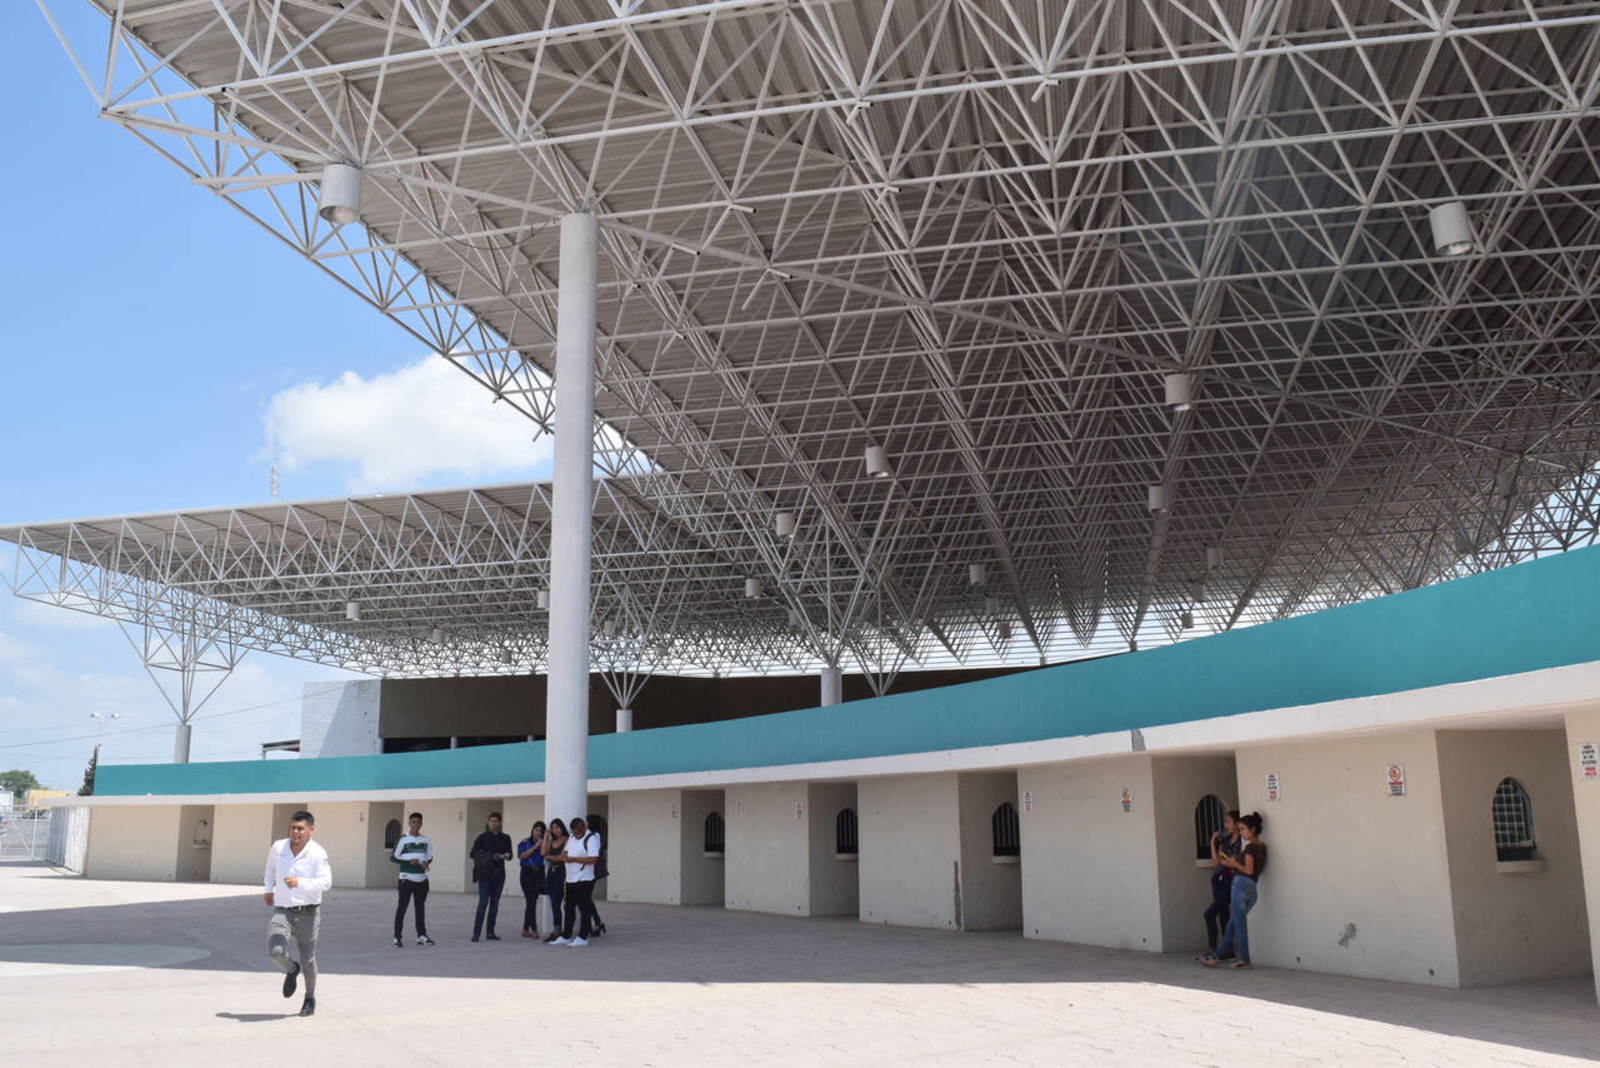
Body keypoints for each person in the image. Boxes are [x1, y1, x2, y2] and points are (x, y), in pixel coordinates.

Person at [263, 809, 332, 1017]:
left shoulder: (318, 853)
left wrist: (299, 883)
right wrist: (268, 889)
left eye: (300, 828)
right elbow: (270, 869)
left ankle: (309, 998)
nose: (295, 832)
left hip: (308, 913)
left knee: (308, 959)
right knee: (275, 951)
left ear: (311, 830)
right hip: (283, 910)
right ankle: (292, 969)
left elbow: (326, 882)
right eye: (293, 827)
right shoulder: (278, 847)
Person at [1202, 812, 1266, 970]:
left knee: (1238, 925)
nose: (1241, 832)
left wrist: (1234, 864)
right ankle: (1217, 957)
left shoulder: (1250, 848)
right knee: (1233, 924)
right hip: (1251, 887)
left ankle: (1244, 960)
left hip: (1241, 884)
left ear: (1253, 830)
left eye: (1243, 829)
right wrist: (1230, 862)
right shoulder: (1261, 847)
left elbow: (1248, 870)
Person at [551, 815, 603, 947]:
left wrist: (574, 859)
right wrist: (564, 856)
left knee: (584, 908)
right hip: (570, 879)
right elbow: (564, 853)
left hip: (584, 879)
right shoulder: (571, 838)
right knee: (568, 908)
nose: (577, 835)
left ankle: (583, 936)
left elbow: (593, 859)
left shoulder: (591, 839)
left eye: (579, 832)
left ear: (584, 828)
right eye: (575, 832)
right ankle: (566, 935)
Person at [391, 811, 436, 947]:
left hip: (422, 880)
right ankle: (397, 937)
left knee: (420, 909)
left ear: (421, 824)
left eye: (418, 822)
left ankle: (421, 935)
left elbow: (429, 856)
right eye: (413, 822)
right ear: (409, 823)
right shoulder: (403, 839)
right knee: (402, 908)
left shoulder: (425, 840)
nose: (415, 824)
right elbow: (393, 857)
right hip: (406, 879)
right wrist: (408, 862)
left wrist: (427, 862)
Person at [1201, 811, 1241, 959]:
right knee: (1223, 913)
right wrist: (1213, 843)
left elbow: (1235, 863)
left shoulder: (1240, 842)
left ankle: (1213, 948)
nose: (1226, 825)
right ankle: (1227, 949)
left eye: (1228, 821)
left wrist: (1227, 862)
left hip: (1231, 880)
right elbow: (1217, 861)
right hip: (1218, 879)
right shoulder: (1225, 840)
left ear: (1236, 824)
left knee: (1209, 913)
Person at [470, 811, 514, 942]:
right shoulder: (482, 837)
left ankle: (490, 932)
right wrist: (490, 856)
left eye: (496, 821)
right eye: (491, 821)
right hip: (485, 874)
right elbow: (473, 853)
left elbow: (510, 855)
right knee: (483, 903)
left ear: (500, 823)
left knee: (494, 904)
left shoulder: (506, 838)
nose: (493, 823)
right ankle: (476, 933)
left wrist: (505, 855)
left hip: (499, 874)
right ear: (488, 823)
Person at [517, 821, 547, 939]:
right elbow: (521, 856)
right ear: (532, 830)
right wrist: (535, 847)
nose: (537, 833)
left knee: (532, 901)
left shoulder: (544, 843)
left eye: (540, 831)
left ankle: (525, 929)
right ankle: (533, 928)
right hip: (526, 872)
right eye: (536, 830)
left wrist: (543, 841)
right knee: (531, 900)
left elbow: (544, 854)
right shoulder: (525, 842)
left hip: (539, 873)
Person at [540, 819, 568, 944]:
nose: (555, 830)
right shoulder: (551, 841)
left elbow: (562, 857)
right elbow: (542, 853)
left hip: (562, 873)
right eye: (553, 828)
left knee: (558, 902)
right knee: (553, 903)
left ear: (562, 827)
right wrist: (546, 837)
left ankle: (559, 930)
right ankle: (557, 929)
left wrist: (549, 857)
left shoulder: (567, 840)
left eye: (557, 827)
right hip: (551, 873)